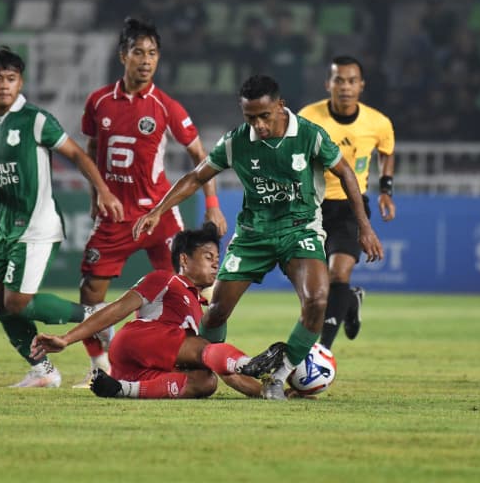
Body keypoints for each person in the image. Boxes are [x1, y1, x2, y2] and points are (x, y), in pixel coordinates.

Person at [132, 75, 384, 400]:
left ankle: (278, 377)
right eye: (250, 117)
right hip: (254, 234)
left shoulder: (309, 135)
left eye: (264, 116)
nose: (258, 125)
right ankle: (201, 368)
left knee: (317, 300)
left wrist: (364, 226)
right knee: (218, 309)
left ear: (280, 106)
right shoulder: (237, 141)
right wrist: (157, 210)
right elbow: (196, 176)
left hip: (300, 228)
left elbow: (346, 172)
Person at [76, 18, 227, 387]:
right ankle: (100, 366)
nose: (146, 60)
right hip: (115, 215)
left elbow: (200, 156)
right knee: (90, 292)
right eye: (138, 52)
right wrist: (97, 194)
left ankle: (198, 358)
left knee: (189, 289)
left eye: (153, 53)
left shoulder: (166, 106)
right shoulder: (98, 102)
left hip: (158, 215)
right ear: (122, 55)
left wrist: (212, 203)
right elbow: (94, 149)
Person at [0, 47, 124, 388]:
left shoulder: (35, 119)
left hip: (37, 224)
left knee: (17, 301)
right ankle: (43, 370)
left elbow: (78, 154)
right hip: (6, 226)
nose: (4, 85)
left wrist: (103, 191)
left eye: (11, 79)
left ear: (20, 83)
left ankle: (95, 316)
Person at [30, 224, 279, 399]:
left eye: (217, 257)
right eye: (207, 256)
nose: (216, 263)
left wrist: (268, 392)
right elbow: (117, 309)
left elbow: (225, 371)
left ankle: (123, 389)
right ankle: (250, 363)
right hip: (138, 339)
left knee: (206, 381)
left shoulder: (198, 306)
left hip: (138, 370)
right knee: (203, 348)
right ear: (184, 260)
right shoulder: (166, 280)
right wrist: (66, 339)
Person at [298, 57, 395, 350]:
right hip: (312, 207)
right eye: (339, 80)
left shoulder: (377, 122)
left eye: (352, 81)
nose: (345, 87)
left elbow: (387, 151)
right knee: (316, 288)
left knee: (339, 273)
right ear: (328, 83)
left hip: (351, 208)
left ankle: (321, 351)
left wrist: (385, 189)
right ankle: (349, 300)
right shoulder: (308, 118)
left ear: (361, 86)